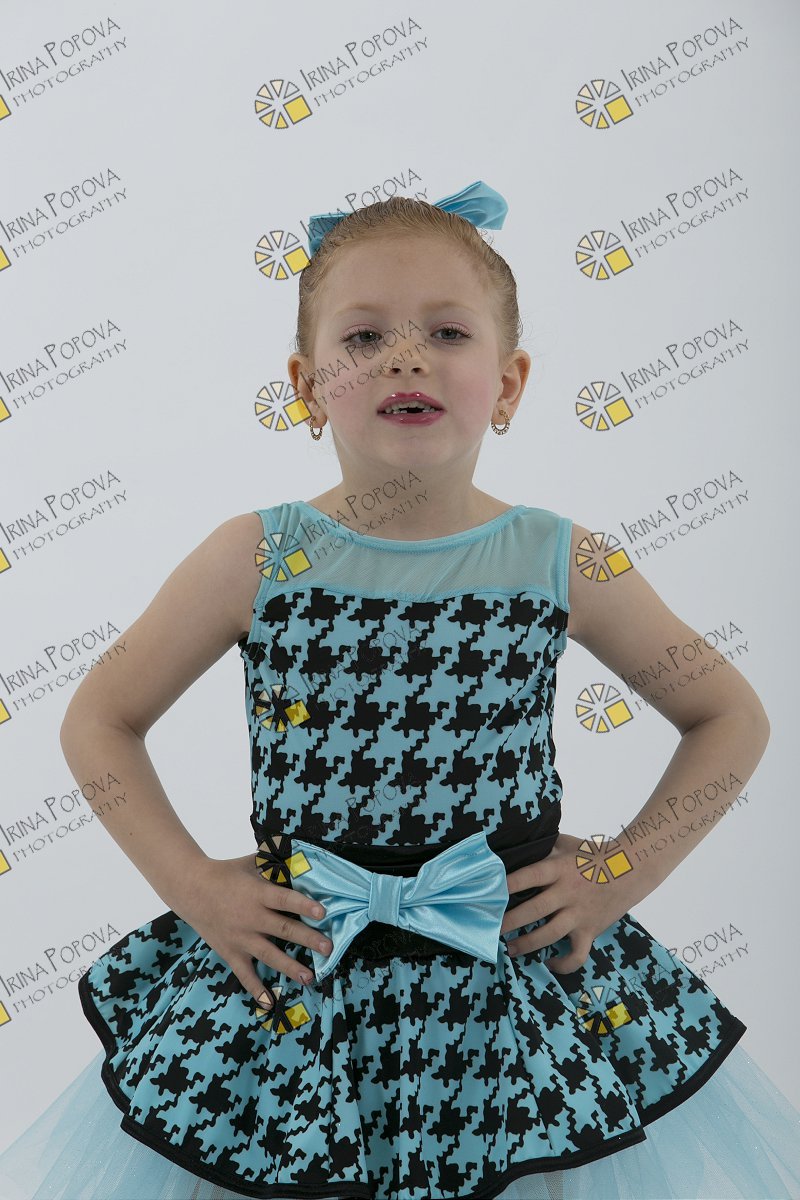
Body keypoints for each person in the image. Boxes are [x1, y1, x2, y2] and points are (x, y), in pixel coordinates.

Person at [0, 180, 798, 1200]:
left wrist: (618, 874)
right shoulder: (257, 556)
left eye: (447, 333)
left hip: (506, 981)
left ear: (508, 383)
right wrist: (195, 888)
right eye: (365, 336)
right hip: (302, 975)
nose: (406, 357)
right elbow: (99, 720)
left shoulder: (559, 558)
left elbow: (728, 715)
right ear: (306, 385)